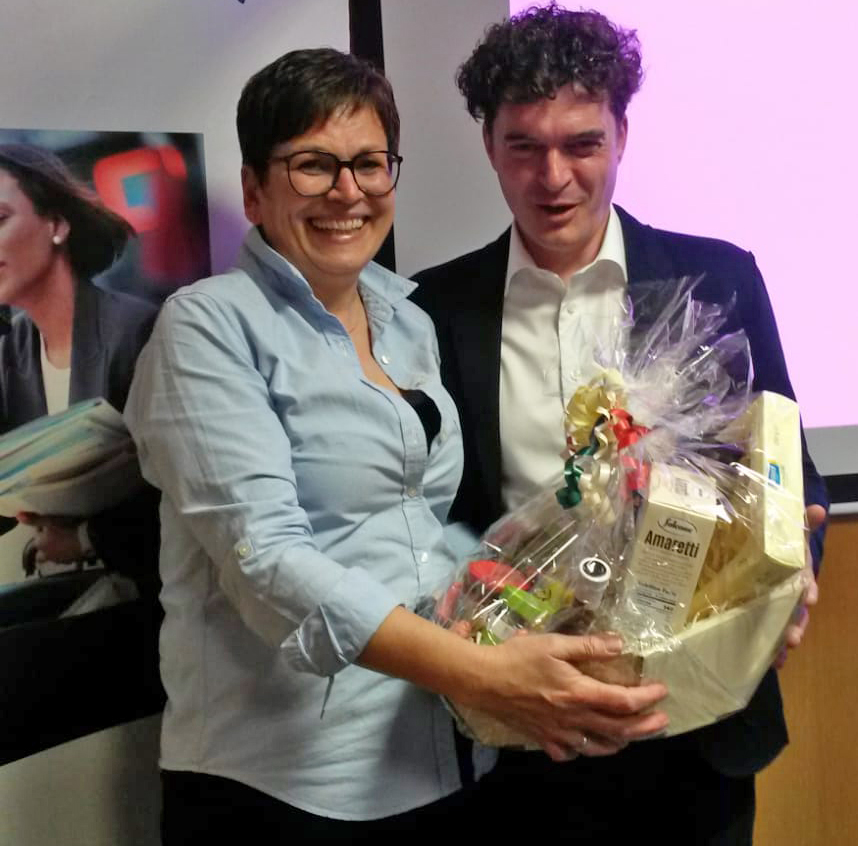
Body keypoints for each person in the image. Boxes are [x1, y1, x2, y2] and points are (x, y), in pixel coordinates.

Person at [123, 48, 669, 841]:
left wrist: (537, 607)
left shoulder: (409, 318)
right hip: (285, 783)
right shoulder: (207, 327)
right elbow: (265, 562)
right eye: (313, 165)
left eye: (370, 164)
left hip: (440, 759)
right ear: (254, 189)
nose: (348, 191)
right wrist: (483, 671)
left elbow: (421, 533)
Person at [411, 3, 829, 844]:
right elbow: (432, 514)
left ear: (622, 136)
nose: (553, 177)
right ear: (488, 145)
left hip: (696, 721)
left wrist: (794, 575)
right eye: (524, 147)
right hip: (524, 732)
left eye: (582, 144)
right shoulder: (433, 309)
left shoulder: (716, 281)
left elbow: (788, 471)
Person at [0, 143, 163, 764]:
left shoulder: (138, 331)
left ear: (57, 224)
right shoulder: (12, 352)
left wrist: (87, 537)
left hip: (148, 599)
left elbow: (184, 500)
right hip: (76, 593)